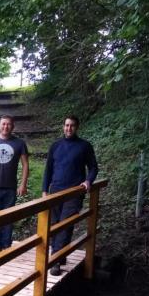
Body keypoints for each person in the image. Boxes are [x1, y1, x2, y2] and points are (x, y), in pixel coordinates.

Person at [41, 115, 98, 275]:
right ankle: (61, 255)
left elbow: (93, 167)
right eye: (66, 125)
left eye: (72, 125)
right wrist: (44, 190)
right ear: (63, 127)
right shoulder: (56, 146)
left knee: (65, 225)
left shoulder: (84, 146)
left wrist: (88, 181)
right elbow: (48, 169)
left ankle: (55, 261)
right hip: (55, 191)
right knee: (54, 225)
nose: (69, 128)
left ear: (77, 127)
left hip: (74, 192)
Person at [0, 115, 29, 252]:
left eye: (8, 124)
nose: (6, 126)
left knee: (9, 219)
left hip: (11, 187)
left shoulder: (19, 143)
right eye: (3, 124)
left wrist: (23, 184)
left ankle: (6, 247)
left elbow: (25, 164)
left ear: (13, 126)